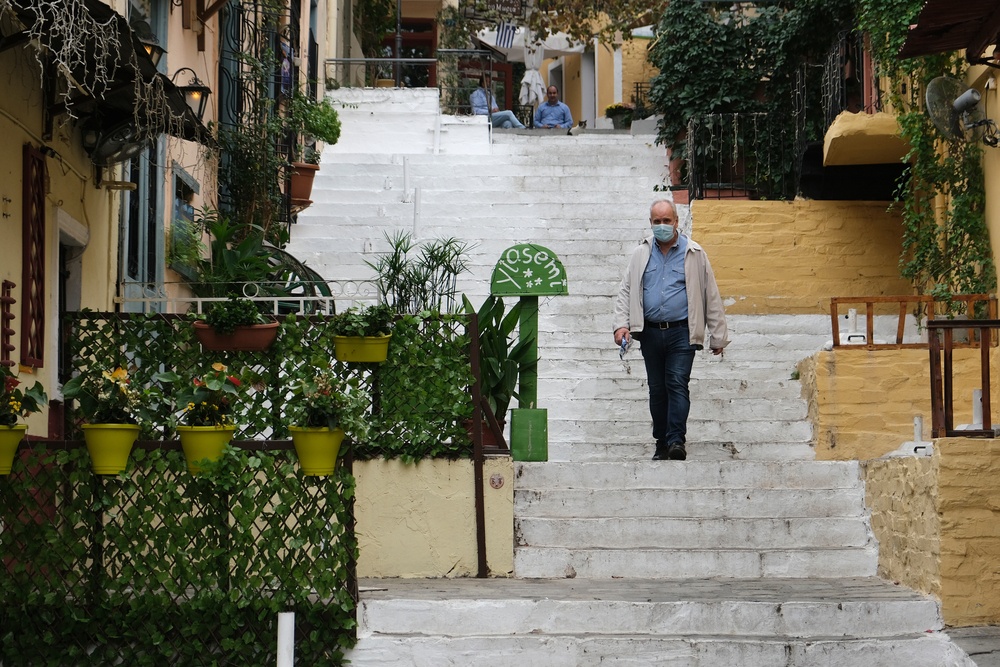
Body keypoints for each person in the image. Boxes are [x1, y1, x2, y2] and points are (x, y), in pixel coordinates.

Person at [612, 199, 729, 461]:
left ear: (677, 221)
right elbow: (626, 290)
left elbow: (711, 295)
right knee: (657, 388)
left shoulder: (695, 253)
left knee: (677, 383)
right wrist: (621, 324)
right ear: (651, 223)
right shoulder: (640, 253)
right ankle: (661, 441)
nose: (662, 226)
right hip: (650, 332)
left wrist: (718, 335)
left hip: (682, 332)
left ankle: (676, 440)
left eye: (667, 221)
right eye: (657, 221)